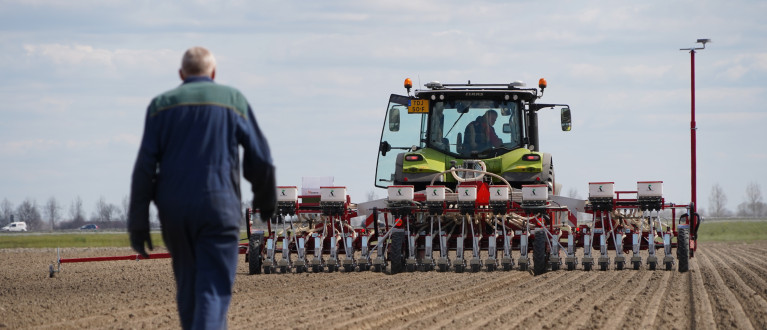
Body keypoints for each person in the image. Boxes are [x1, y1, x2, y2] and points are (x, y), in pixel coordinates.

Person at [128, 46, 276, 330]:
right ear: (214, 73)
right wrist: (265, 202)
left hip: (175, 213)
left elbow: (145, 166)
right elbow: (261, 157)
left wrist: (138, 223)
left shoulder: (160, 105)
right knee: (212, 290)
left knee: (189, 288)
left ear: (181, 74)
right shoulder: (232, 99)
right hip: (218, 210)